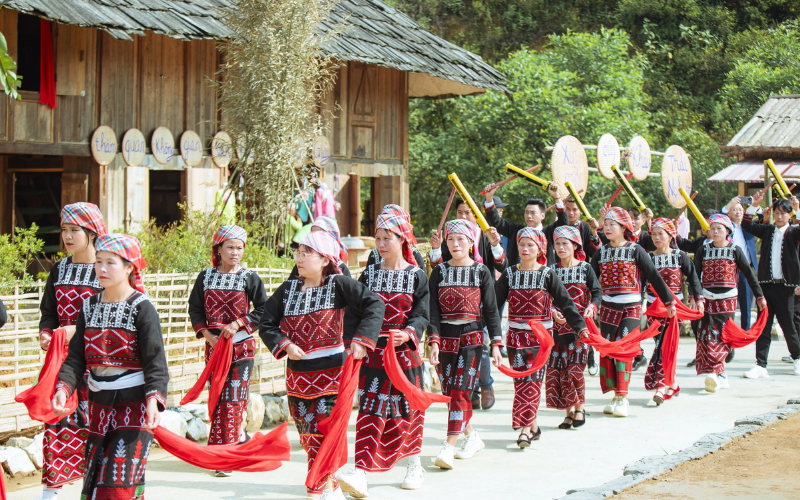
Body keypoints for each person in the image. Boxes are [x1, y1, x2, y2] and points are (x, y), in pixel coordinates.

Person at [259, 232, 385, 499]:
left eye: (307, 253)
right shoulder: (287, 290)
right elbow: (266, 322)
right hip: (298, 377)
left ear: (325, 259)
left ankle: (317, 488)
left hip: (332, 376)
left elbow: (374, 304)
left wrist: (362, 340)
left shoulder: (338, 284)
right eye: (298, 253)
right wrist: (285, 344)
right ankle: (330, 485)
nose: (300, 258)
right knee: (307, 434)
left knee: (324, 430)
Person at [53, 234, 167, 500]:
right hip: (98, 404)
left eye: (110, 263)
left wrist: (154, 400)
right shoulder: (88, 306)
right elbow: (76, 357)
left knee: (118, 486)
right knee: (94, 480)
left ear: (129, 267)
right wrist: (63, 387)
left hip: (134, 406)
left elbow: (155, 362)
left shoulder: (142, 309)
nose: (101, 269)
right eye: (98, 262)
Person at [338, 211, 430, 496]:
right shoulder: (370, 273)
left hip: (404, 355)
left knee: (408, 411)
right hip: (373, 354)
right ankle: (361, 471)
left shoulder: (417, 276)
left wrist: (410, 332)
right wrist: (352, 342)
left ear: (402, 238)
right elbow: (356, 309)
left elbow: (423, 312)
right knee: (369, 410)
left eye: (386, 238)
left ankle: (414, 463)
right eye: (377, 238)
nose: (380, 243)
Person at [494, 227, 589, 447]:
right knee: (521, 383)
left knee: (533, 383)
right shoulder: (510, 274)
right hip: (515, 338)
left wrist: (580, 327)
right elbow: (494, 305)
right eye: (521, 244)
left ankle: (525, 431)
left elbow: (565, 302)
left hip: (541, 339)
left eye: (530, 245)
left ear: (540, 249)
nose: (525, 249)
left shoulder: (547, 274)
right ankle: (534, 427)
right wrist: (493, 336)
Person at [37, 202, 106, 500]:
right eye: (64, 229)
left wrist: (71, 331)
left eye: (74, 230)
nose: (67, 236)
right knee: (56, 422)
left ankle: (93, 489)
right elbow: (49, 311)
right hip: (63, 363)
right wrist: (45, 332)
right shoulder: (60, 269)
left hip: (97, 363)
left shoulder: (105, 270)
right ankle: (50, 490)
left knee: (94, 427)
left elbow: (109, 314)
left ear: (91, 232)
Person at [187, 225, 268, 477]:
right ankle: (237, 440)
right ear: (218, 249)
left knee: (234, 398)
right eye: (230, 247)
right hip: (214, 348)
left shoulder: (250, 278)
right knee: (219, 398)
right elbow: (195, 309)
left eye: (239, 247)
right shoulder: (205, 277)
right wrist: (209, 337)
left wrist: (238, 323)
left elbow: (264, 310)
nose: (235, 252)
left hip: (241, 348)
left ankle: (225, 454)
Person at [428, 219, 503, 469]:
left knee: (461, 391)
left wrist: (495, 343)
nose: (455, 243)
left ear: (472, 242)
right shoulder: (439, 272)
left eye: (461, 239)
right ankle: (472, 436)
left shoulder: (481, 272)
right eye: (450, 239)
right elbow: (433, 311)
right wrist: (434, 342)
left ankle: (448, 447)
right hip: (446, 338)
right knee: (451, 394)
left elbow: (491, 311)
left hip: (472, 337)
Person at [590, 207, 675, 417]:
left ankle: (623, 397)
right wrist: (588, 304)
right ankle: (616, 396)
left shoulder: (636, 250)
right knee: (609, 351)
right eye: (606, 224)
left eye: (612, 225)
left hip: (631, 307)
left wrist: (669, 301)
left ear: (623, 228)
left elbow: (654, 275)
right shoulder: (601, 252)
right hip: (608, 308)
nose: (607, 228)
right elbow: (590, 280)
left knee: (625, 350)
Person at [429, 199, 508, 411]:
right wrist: (436, 249)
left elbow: (501, 264)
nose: (463, 216)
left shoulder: (484, 236)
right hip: (450, 317)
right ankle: (467, 418)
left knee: (479, 350)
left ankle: (485, 386)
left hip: (480, 305)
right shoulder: (451, 241)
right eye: (459, 212)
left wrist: (495, 244)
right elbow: (437, 268)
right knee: (453, 388)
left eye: (468, 213)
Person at [695, 214, 767, 390]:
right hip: (707, 299)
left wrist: (759, 296)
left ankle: (714, 372)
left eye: (719, 228)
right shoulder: (703, 250)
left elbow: (749, 274)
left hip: (727, 300)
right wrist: (695, 297)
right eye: (712, 228)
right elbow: (695, 276)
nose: (715, 231)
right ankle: (721, 375)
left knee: (720, 335)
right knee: (706, 335)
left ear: (728, 231)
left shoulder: (735, 250)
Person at [644, 218, 704, 404]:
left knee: (667, 345)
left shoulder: (679, 256)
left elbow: (693, 277)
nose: (656, 237)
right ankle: (673, 382)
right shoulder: (647, 257)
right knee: (660, 344)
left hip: (673, 309)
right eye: (653, 234)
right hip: (653, 307)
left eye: (660, 233)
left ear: (671, 236)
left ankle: (661, 386)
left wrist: (697, 298)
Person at [741, 193, 800, 377]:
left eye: (784, 213)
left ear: (789, 215)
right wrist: (753, 206)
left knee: (788, 325)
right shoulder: (767, 230)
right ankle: (760, 364)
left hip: (786, 286)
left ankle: (797, 358)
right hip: (766, 285)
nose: (780, 216)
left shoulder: (793, 231)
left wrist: (798, 209)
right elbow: (747, 225)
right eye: (777, 213)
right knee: (764, 324)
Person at [548, 226, 600, 429]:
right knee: (560, 370)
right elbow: (545, 297)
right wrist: (552, 311)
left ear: (575, 245)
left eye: (565, 243)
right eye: (557, 243)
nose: (560, 247)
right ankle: (569, 412)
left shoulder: (585, 268)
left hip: (580, 327)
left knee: (575, 368)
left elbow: (596, 292)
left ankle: (580, 408)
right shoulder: (551, 270)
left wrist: (592, 307)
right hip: (557, 327)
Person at [482, 183, 566, 265]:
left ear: (542, 215)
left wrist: (556, 197)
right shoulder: (517, 231)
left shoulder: (548, 232)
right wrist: (489, 198)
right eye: (526, 212)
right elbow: (497, 223)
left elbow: (564, 222)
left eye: (533, 213)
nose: (529, 216)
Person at [722, 196, 760, 363]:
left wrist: (756, 207)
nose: (738, 212)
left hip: (745, 268)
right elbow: (718, 216)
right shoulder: (725, 227)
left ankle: (744, 331)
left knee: (745, 301)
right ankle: (726, 330)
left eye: (740, 209)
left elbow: (759, 220)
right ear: (729, 212)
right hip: (728, 268)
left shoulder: (747, 227)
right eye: (734, 209)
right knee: (727, 301)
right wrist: (728, 205)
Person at [365, 204, 425, 269]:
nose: (381, 244)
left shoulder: (414, 254)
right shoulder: (375, 254)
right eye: (378, 238)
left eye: (386, 238)